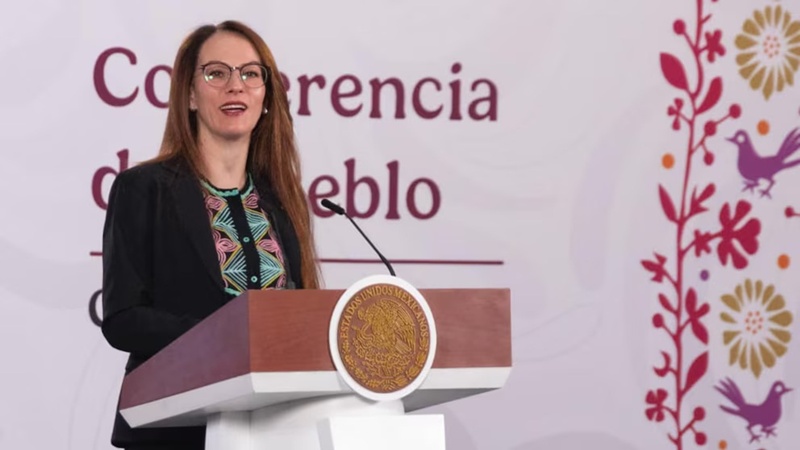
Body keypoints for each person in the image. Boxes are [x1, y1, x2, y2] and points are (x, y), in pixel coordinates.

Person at [100, 20, 321, 450]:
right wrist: (227, 334)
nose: (235, 86)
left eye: (250, 74)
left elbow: (298, 312)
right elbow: (123, 319)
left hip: (274, 429)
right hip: (173, 426)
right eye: (216, 73)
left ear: (266, 97)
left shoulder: (281, 201)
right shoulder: (143, 189)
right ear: (189, 96)